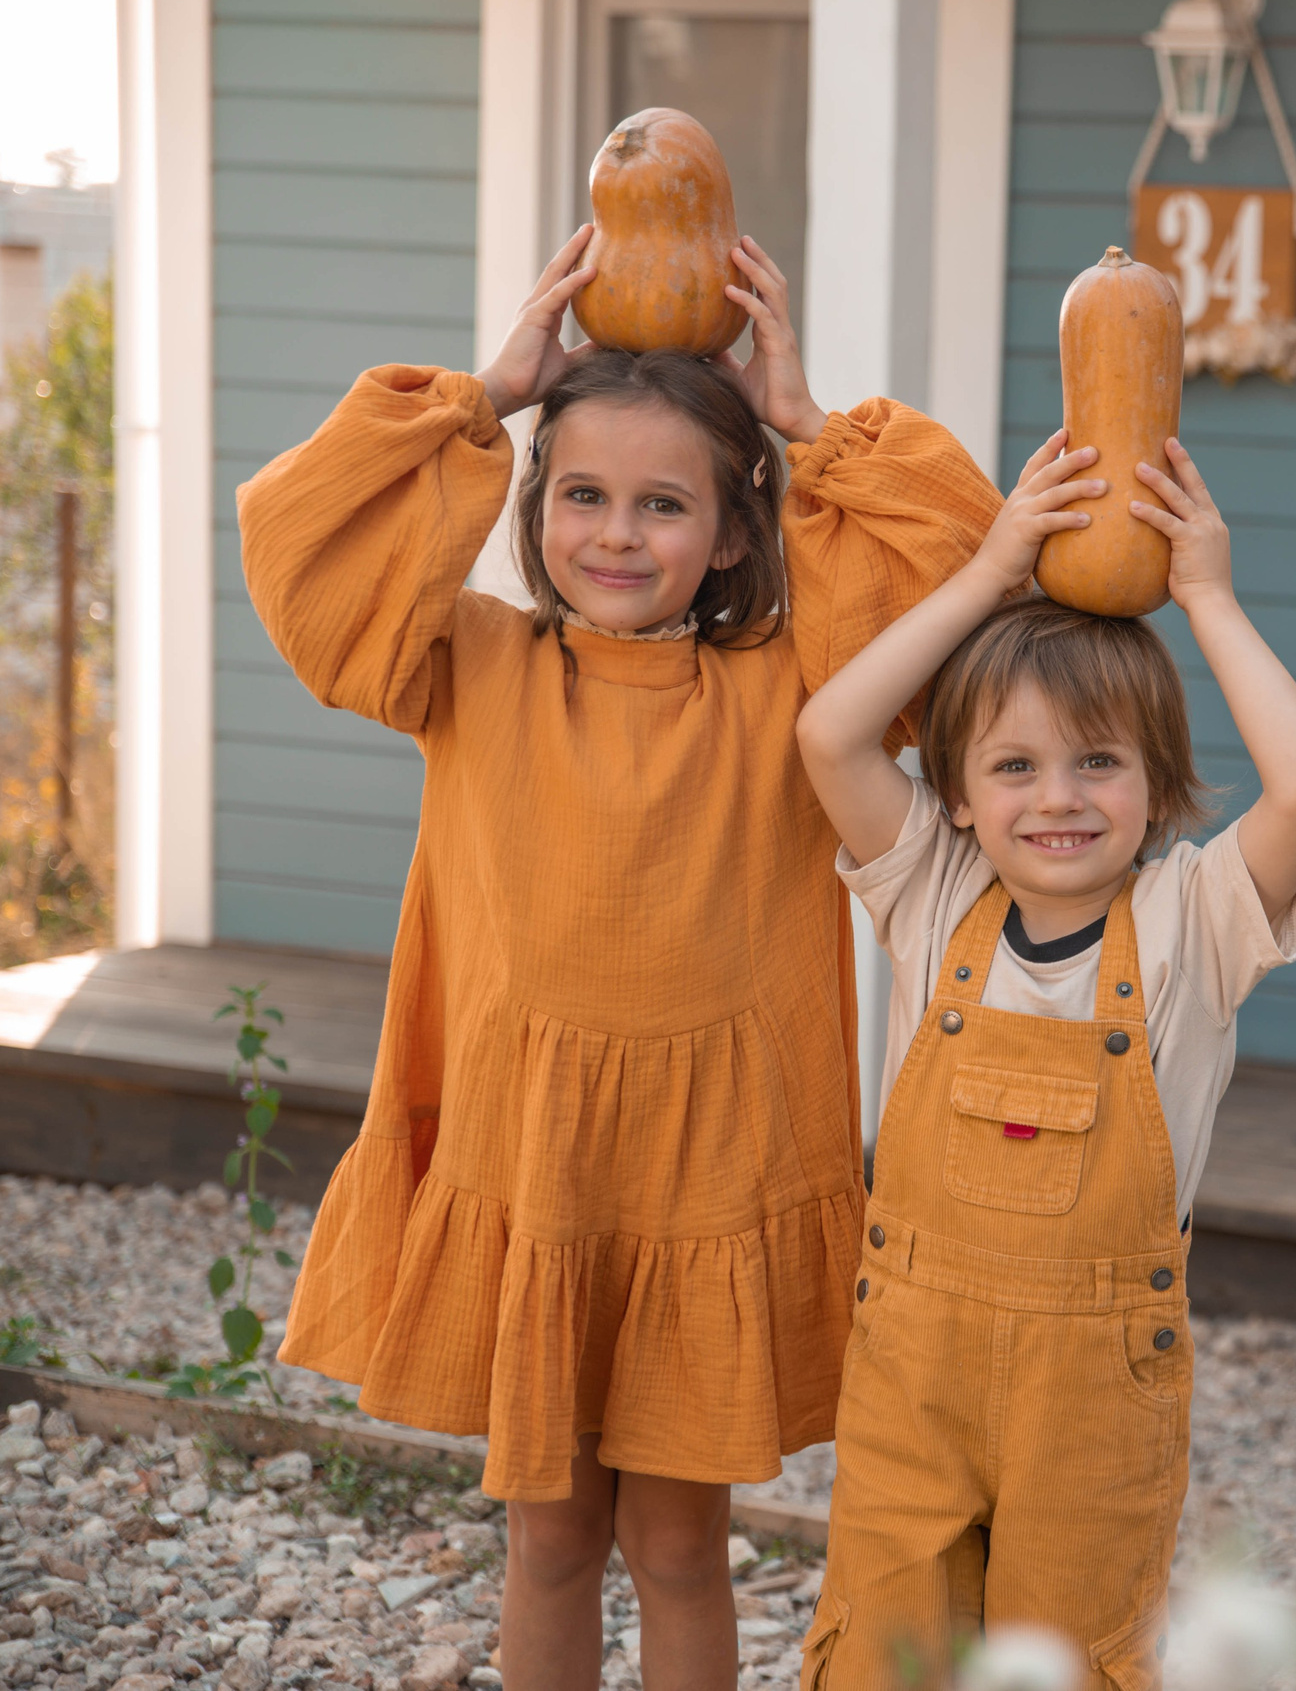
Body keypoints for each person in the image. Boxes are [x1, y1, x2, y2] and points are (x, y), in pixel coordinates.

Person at [238, 227, 1003, 1691]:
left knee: (676, 1548)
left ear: (731, 529)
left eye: (664, 503)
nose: (614, 532)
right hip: (537, 1171)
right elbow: (298, 544)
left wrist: (805, 417)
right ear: (535, 502)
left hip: (706, 1177)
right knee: (547, 1542)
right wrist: (484, 392)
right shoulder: (466, 662)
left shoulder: (800, 684)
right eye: (581, 493)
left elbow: (956, 556)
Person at [790, 432, 1296, 1686]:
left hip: (1091, 1395)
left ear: (1156, 783)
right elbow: (832, 736)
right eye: (1015, 766)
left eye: (1100, 760)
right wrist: (992, 571)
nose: (1059, 797)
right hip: (912, 1376)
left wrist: (1205, 593)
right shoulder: (934, 894)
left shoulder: (1192, 921)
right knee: (884, 1649)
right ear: (961, 793)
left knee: (1070, 1654)